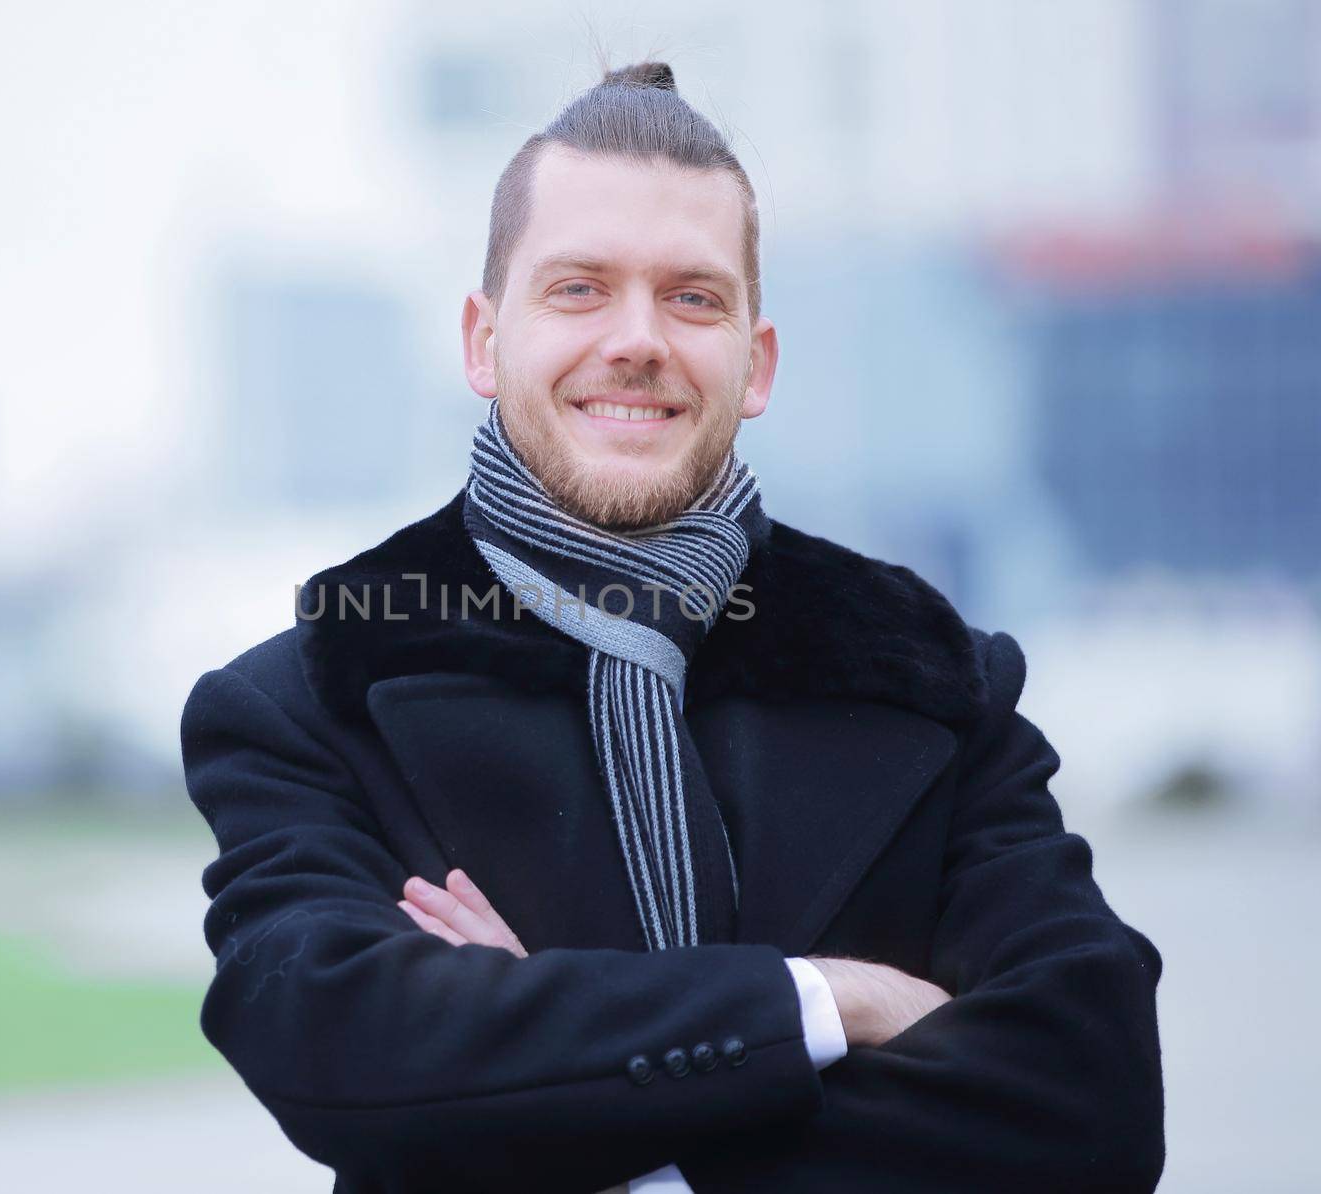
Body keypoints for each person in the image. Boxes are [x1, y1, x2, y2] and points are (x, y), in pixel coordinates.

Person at [179, 61, 1166, 1193]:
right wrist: (828, 1000)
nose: (637, 339)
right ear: (480, 341)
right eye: (579, 289)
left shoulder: (931, 673)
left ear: (756, 363)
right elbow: (340, 1051)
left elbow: (1092, 1108)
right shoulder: (311, 693)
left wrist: (551, 1084)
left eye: (692, 297)